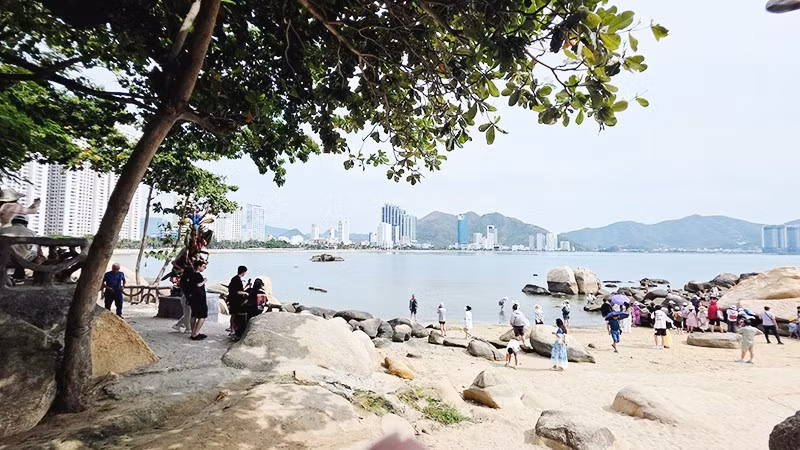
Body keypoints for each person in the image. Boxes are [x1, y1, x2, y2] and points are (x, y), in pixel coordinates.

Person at [0, 215, 44, 279]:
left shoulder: (2, 230)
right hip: (26, 259)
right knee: (35, 250)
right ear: (26, 224)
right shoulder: (32, 233)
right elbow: (37, 248)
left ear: (12, 222)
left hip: (5, 258)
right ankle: (37, 277)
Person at [188, 260, 209, 340]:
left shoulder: (192, 275)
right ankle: (196, 333)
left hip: (193, 298)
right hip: (199, 298)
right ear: (198, 267)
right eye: (203, 266)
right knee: (202, 316)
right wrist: (205, 281)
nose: (204, 268)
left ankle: (193, 332)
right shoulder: (198, 275)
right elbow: (199, 285)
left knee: (193, 315)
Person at [227, 265, 248, 336]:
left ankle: (232, 328)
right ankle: (232, 329)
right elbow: (236, 291)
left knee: (234, 314)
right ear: (243, 272)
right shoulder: (237, 280)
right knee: (234, 314)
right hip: (235, 300)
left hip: (233, 299)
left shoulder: (235, 278)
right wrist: (245, 293)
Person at [172, 265, 194, 332]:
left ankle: (178, 325)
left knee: (187, 313)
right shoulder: (186, 281)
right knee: (187, 314)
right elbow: (187, 291)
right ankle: (188, 328)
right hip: (186, 298)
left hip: (185, 297)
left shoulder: (184, 280)